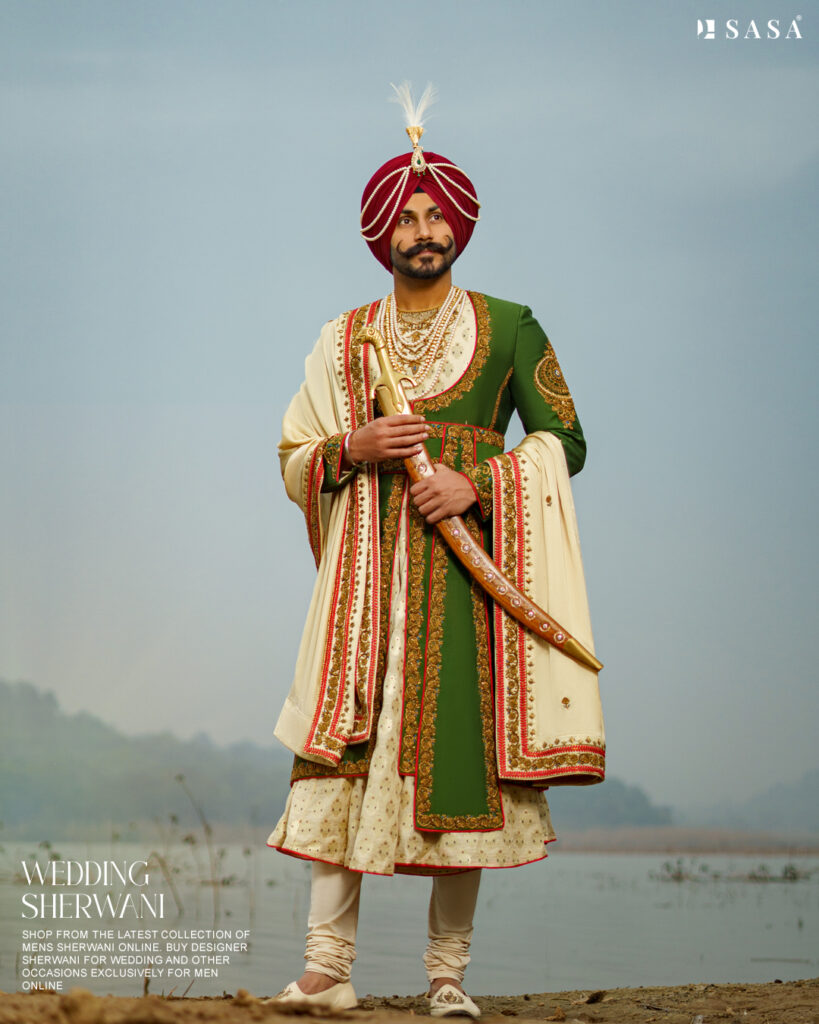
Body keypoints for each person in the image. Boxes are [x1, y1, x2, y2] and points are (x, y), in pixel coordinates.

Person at [267, 86, 604, 1017]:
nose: (424, 230)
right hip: (363, 595)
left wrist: (480, 483)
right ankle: (326, 972)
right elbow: (293, 452)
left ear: (458, 226)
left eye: (436, 215)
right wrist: (350, 449)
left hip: (464, 590)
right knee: (341, 766)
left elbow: (566, 442)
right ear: (382, 237)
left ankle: (446, 977)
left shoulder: (511, 327)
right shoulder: (344, 341)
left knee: (461, 775)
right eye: (406, 218)